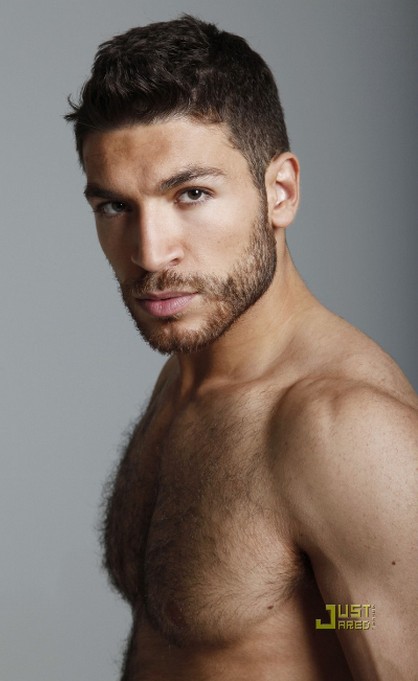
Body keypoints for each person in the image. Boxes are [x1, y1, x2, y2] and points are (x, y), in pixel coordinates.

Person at [65, 15, 418, 680]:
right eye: (115, 206)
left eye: (191, 194)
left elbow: (372, 623)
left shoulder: (345, 431)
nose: (150, 254)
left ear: (279, 192)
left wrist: (340, 615)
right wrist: (313, 612)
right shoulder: (189, 373)